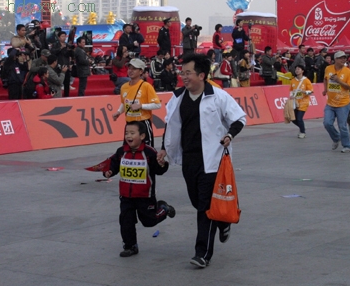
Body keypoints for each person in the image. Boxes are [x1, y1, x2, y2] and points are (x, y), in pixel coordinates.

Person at [157, 53, 246, 268]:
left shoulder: (218, 96)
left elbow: (239, 118)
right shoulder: (178, 97)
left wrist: (229, 135)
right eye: (182, 72)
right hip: (190, 159)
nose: (183, 77)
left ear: (202, 75)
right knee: (197, 201)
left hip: (213, 159)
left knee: (204, 207)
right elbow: (171, 125)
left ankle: (202, 253)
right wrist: (163, 149)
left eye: (188, 73)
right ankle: (223, 220)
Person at [103, 121, 175, 257]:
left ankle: (164, 209)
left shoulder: (149, 152)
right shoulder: (121, 151)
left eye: (132, 133)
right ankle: (130, 246)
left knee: (149, 221)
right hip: (126, 196)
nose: (128, 136)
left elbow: (159, 170)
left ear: (142, 136)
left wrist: (161, 164)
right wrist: (109, 172)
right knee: (126, 220)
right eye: (126, 133)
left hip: (145, 196)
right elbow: (113, 164)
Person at [112, 58, 161, 147]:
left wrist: (141, 106)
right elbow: (124, 102)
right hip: (129, 124)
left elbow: (157, 105)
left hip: (142, 123)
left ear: (141, 71)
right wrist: (118, 112)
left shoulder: (146, 86)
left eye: (134, 69)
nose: (130, 71)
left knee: (147, 151)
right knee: (128, 150)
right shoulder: (124, 87)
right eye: (130, 68)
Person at [323, 51, 350, 153]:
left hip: (343, 103)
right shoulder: (328, 68)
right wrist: (325, 89)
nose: (343, 60)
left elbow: (349, 86)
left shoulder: (348, 71)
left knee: (342, 126)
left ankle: (347, 146)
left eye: (344, 58)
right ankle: (336, 138)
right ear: (335, 59)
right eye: (341, 58)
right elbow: (325, 79)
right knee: (327, 123)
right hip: (330, 103)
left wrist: (338, 80)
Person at [289, 65, 313, 138]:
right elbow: (291, 90)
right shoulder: (293, 80)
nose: (297, 70)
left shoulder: (306, 80)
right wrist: (291, 96)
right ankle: (302, 127)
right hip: (295, 102)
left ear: (302, 71)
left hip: (303, 102)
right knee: (292, 118)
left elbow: (311, 91)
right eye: (296, 69)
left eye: (299, 69)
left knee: (299, 118)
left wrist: (304, 91)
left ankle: (302, 132)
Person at [50, 31, 74, 97]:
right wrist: (61, 48)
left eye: (65, 36)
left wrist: (70, 50)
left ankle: (67, 97)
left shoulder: (67, 45)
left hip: (66, 66)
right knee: (58, 83)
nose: (64, 38)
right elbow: (52, 52)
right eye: (62, 36)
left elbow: (71, 55)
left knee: (67, 84)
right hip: (58, 67)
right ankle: (58, 96)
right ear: (59, 37)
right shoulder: (55, 45)